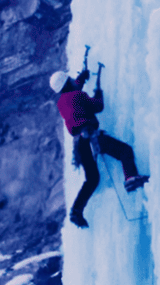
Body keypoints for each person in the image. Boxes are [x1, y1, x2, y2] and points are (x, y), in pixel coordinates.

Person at [50, 63, 149, 228]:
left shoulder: (62, 103)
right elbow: (98, 106)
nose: (73, 80)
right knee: (125, 151)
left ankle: (76, 211)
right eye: (71, 79)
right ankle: (131, 178)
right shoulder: (77, 96)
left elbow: (74, 92)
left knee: (92, 179)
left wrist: (81, 77)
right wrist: (98, 92)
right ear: (68, 82)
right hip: (93, 137)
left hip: (81, 144)